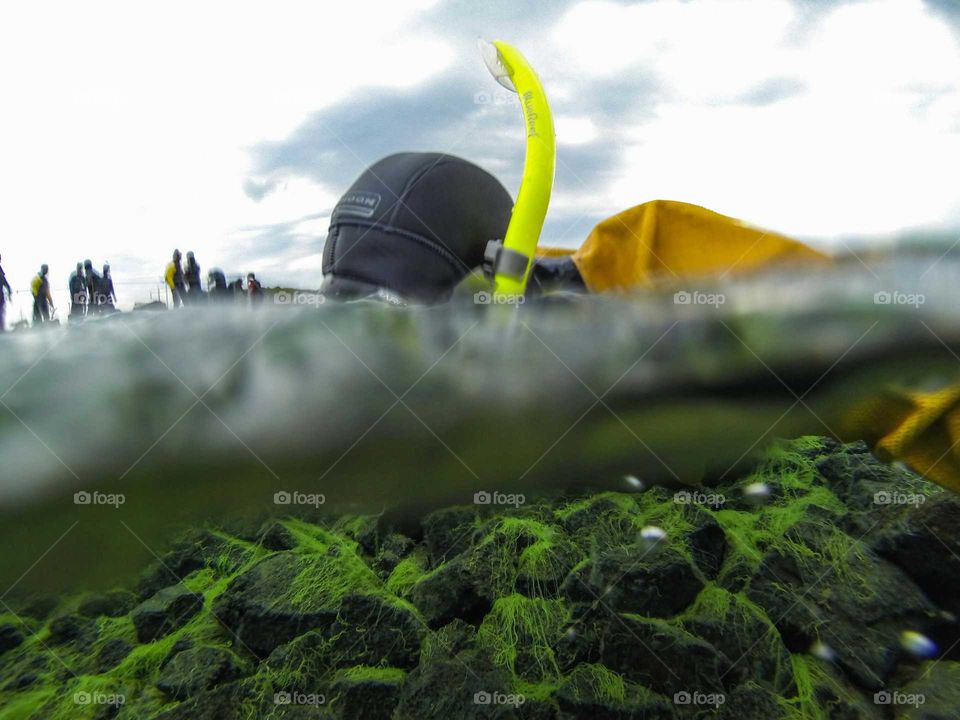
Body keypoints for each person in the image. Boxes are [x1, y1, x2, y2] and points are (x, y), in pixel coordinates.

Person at [0, 254, 12, 332]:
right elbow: (6, 283)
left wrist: (9, 292)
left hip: (0, 297)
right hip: (0, 298)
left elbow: (6, 284)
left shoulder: (0, 270)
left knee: (1, 313)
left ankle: (2, 329)